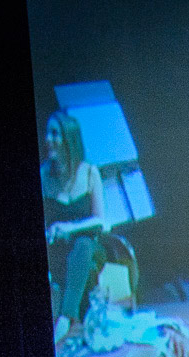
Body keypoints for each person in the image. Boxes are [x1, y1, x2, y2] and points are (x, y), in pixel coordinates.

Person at [41, 110, 108, 343]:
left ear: (68, 138)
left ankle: (66, 317)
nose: (48, 139)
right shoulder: (43, 176)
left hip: (88, 248)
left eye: (55, 134)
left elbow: (101, 221)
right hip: (58, 249)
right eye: (47, 133)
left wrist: (69, 228)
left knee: (83, 245)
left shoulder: (89, 173)